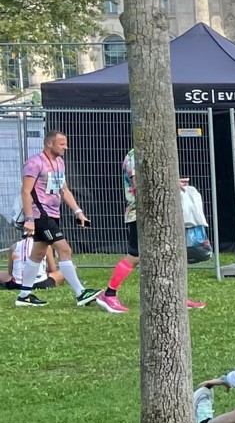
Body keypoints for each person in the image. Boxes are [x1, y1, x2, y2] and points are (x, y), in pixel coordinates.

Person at [102, 151, 205, 314]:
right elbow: (139, 185)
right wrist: (170, 184)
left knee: (168, 254)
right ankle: (109, 293)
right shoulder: (135, 156)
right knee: (135, 256)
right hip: (139, 213)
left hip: (156, 213)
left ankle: (176, 297)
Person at [18, 132, 106, 310]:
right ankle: (81, 293)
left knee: (37, 254)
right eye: (62, 144)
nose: (66, 147)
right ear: (50, 144)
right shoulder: (35, 163)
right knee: (64, 249)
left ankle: (24, 295)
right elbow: (26, 191)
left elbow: (63, 190)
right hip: (40, 215)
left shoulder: (59, 162)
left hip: (53, 214)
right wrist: (29, 219)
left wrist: (78, 211)